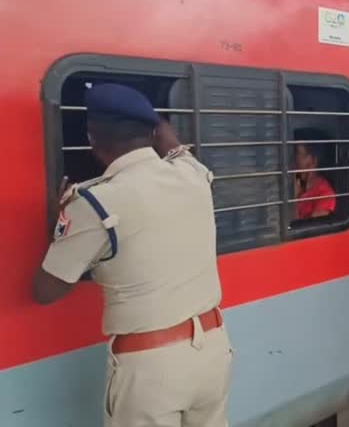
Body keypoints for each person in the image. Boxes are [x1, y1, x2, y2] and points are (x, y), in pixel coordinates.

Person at [32, 84, 232, 426]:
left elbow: (45, 291)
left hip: (149, 367)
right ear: (153, 131)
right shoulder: (192, 174)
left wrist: (59, 224)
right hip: (213, 350)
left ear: (92, 140)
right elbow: (173, 144)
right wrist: (149, 115)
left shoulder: (93, 204)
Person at [293, 128, 336, 220]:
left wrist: (293, 200)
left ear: (312, 160)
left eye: (297, 152)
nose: (292, 157)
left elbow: (305, 231)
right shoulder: (296, 180)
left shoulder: (325, 194)